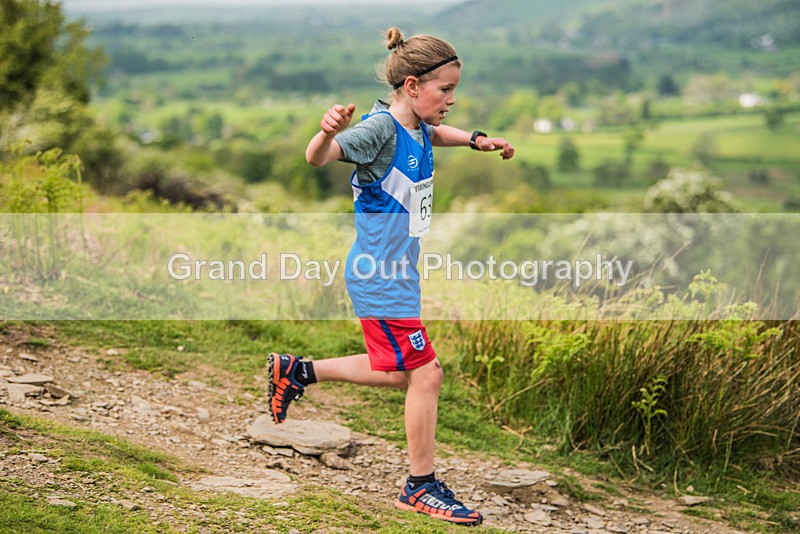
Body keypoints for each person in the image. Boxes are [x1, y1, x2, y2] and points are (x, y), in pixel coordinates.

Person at [268, 26, 514, 526]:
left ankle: (297, 371)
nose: (450, 100)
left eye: (454, 91)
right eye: (444, 90)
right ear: (412, 87)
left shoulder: (418, 124)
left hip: (399, 273)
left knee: (402, 369)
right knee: (428, 373)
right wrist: (327, 131)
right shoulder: (378, 131)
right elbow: (319, 157)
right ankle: (420, 487)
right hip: (378, 274)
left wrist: (476, 140)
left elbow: (436, 133)